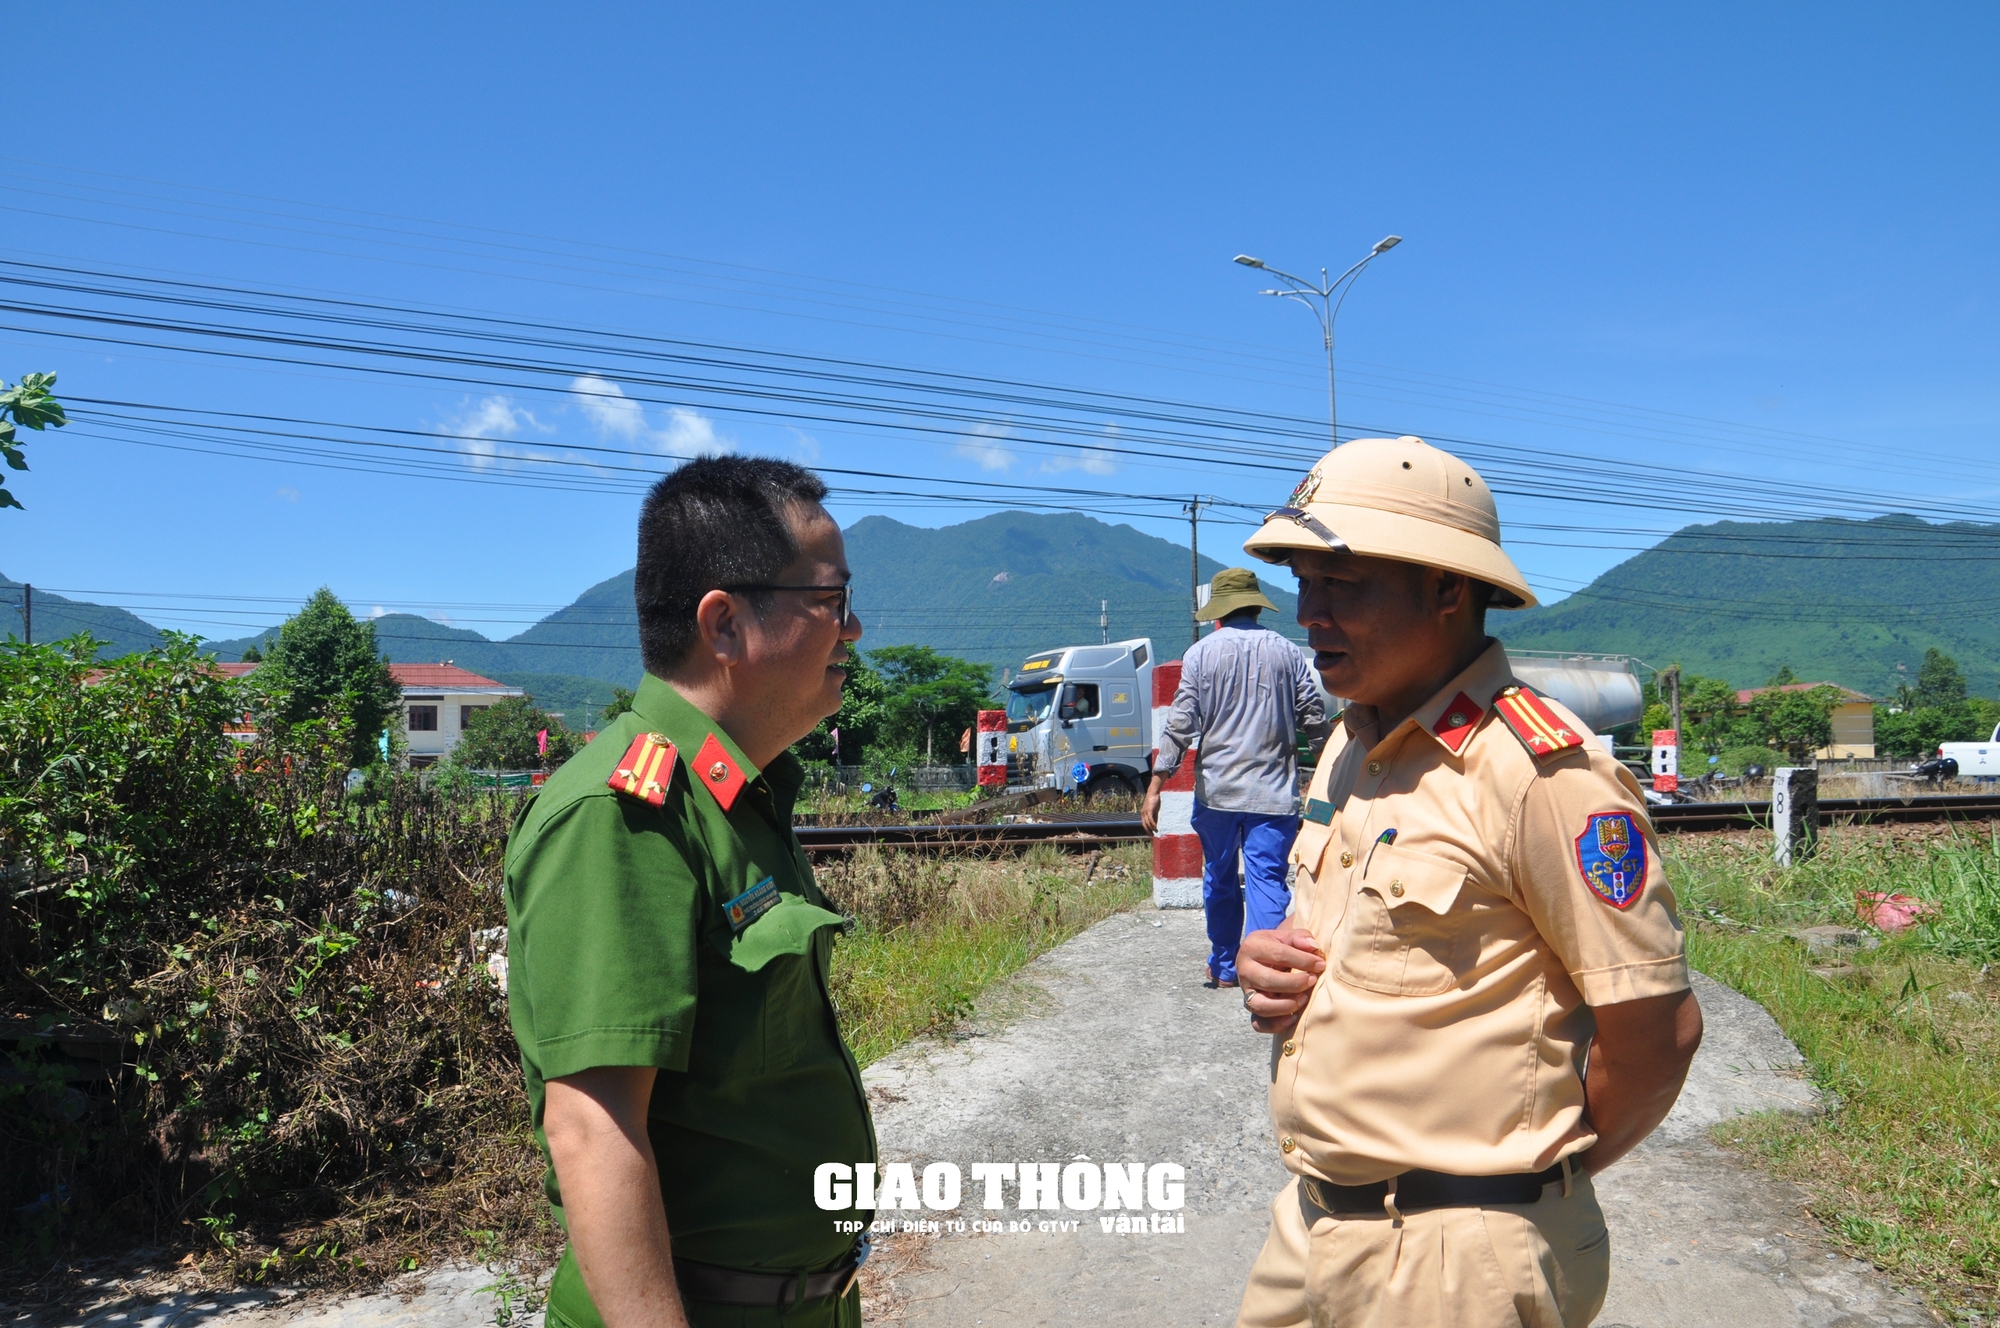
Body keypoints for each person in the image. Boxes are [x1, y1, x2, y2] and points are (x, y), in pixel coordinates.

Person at [1230, 436, 1703, 1328]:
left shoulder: (1543, 775)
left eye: (1343, 584)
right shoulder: (1351, 744)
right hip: (1314, 1223)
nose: (1310, 614)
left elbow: (1658, 1035)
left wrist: (1526, 1190)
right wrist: (1274, 965)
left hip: (1457, 1262)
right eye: (1305, 583)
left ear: (1448, 589)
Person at [505, 456, 874, 1328]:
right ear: (724, 623)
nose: (853, 629)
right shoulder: (623, 816)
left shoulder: (740, 796)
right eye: (831, 601)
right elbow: (592, 1130)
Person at [1142, 567, 1332, 988]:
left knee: (1220, 876)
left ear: (1219, 612)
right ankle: (1266, 973)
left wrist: (1156, 786)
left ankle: (1226, 965)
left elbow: (1180, 725)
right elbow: (1314, 717)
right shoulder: (1287, 652)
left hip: (1218, 793)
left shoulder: (1200, 654)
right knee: (1267, 881)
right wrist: (1330, 768)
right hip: (1274, 794)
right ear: (1256, 607)